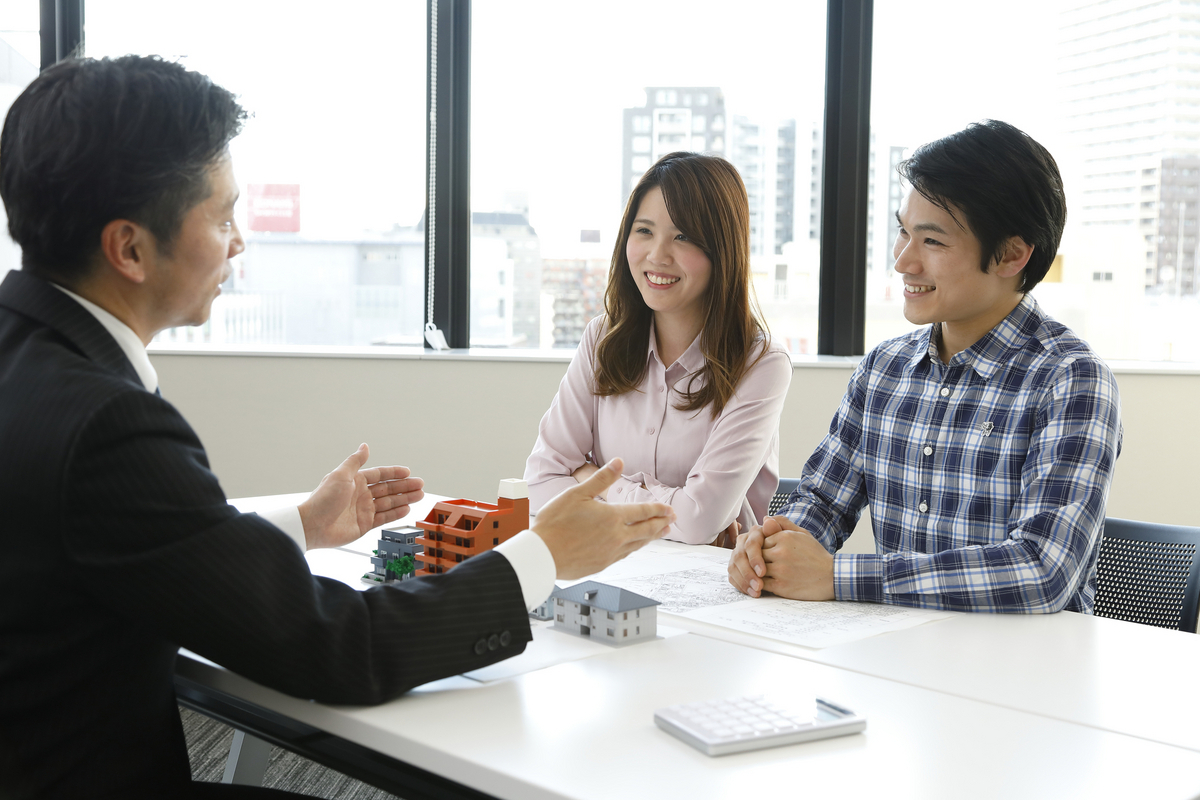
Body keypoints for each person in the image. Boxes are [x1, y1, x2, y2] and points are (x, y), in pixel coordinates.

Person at [0, 55, 675, 799]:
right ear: (129, 247)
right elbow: (336, 648)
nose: (239, 242)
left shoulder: (30, 363)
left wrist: (301, 525)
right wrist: (541, 554)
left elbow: (138, 547)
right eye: (222, 216)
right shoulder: (108, 427)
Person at [727, 120, 1122, 613]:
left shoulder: (1071, 379)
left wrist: (836, 575)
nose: (902, 261)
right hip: (900, 659)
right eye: (903, 232)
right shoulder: (884, 370)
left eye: (932, 242)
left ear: (1013, 254)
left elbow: (1041, 571)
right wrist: (771, 548)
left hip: (1021, 675)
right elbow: (822, 502)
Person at [524, 152, 792, 546]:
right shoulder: (602, 339)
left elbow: (698, 521)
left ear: (722, 249)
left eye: (682, 236)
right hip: (608, 570)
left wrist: (588, 480)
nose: (657, 255)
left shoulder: (760, 363)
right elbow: (540, 482)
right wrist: (673, 510)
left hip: (716, 585)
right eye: (644, 231)